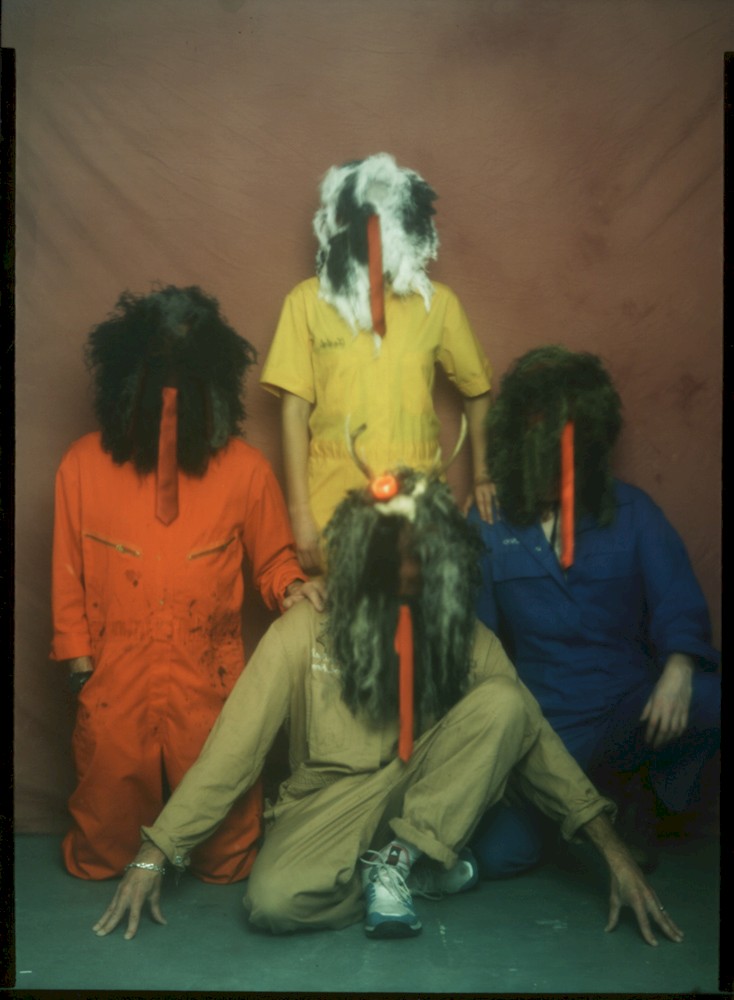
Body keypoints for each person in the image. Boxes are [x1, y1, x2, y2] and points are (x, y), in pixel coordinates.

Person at [92, 460, 682, 947]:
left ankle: (403, 857)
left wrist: (613, 853)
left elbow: (535, 740)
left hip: (422, 788)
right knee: (273, 904)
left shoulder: (462, 635)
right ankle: (415, 871)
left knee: (505, 701)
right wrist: (155, 853)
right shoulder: (303, 631)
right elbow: (233, 749)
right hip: (324, 804)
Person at [51, 285, 324, 883]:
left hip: (209, 672)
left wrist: (291, 588)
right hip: (115, 676)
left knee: (227, 859)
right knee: (101, 856)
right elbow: (66, 574)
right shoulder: (82, 465)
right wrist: (79, 665)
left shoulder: (246, 469)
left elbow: (275, 559)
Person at [467, 345, 720, 877]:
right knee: (498, 854)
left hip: (627, 710)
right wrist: (503, 745)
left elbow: (679, 604)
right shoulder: (489, 523)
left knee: (706, 696)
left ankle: (643, 806)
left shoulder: (633, 510)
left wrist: (678, 671)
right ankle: (582, 821)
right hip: (545, 724)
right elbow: (478, 646)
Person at [260, 152, 494, 574]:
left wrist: (482, 475)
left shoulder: (437, 304)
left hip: (418, 505)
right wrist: (300, 514)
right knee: (341, 612)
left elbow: (477, 389)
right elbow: (293, 411)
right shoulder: (306, 302)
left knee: (416, 609)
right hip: (333, 503)